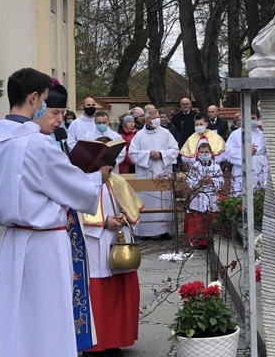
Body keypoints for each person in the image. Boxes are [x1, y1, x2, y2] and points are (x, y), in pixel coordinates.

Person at [0, 68, 110, 357]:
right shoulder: (37, 145)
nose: (47, 108)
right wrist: (98, 174)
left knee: (15, 318)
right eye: (46, 101)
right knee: (47, 320)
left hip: (11, 240)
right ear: (34, 99)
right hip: (45, 244)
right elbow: (80, 193)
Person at [82, 170, 143, 357]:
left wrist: (123, 216)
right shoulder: (83, 182)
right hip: (92, 243)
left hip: (118, 241)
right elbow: (77, 213)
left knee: (118, 291)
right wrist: (103, 222)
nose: (107, 172)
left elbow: (130, 208)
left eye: (109, 167)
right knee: (97, 293)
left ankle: (116, 340)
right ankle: (95, 344)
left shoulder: (117, 181)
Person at [128, 108, 179, 238]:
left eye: (158, 117)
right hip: (146, 173)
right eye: (154, 118)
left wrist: (161, 154)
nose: (157, 120)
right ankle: (145, 231)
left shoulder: (166, 133)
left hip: (162, 171)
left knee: (163, 200)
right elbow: (132, 153)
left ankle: (164, 230)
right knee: (146, 199)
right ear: (146, 120)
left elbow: (175, 149)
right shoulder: (139, 135)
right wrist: (148, 155)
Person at [184, 141, 224, 248]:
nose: (204, 154)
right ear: (198, 154)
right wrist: (200, 182)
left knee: (211, 216)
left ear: (211, 153)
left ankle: (213, 240)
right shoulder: (194, 166)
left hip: (211, 194)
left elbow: (221, 181)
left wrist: (211, 181)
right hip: (198, 195)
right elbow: (190, 181)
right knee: (199, 218)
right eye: (202, 152)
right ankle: (199, 242)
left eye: (207, 152)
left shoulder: (216, 167)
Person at [225, 106, 269, 195]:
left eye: (253, 118)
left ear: (258, 119)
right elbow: (228, 153)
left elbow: (273, 150)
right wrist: (245, 151)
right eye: (248, 118)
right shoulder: (235, 134)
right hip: (242, 169)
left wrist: (265, 132)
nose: (251, 121)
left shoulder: (263, 133)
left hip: (259, 168)